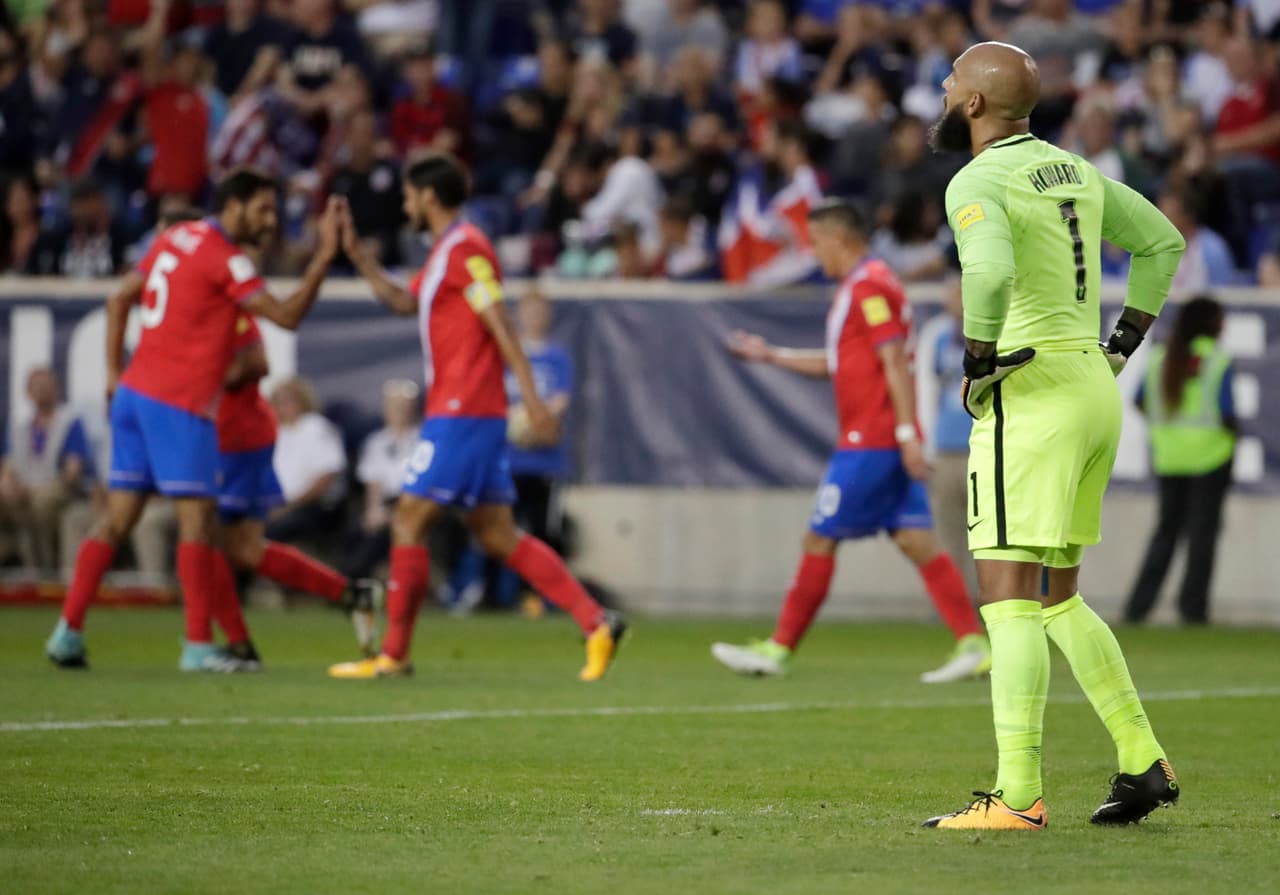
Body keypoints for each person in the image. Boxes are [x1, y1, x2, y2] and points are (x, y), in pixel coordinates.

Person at [922, 42, 1184, 830]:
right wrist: (1122, 343)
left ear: (972, 105)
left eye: (951, 81)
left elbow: (991, 274)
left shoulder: (976, 180)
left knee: (1006, 600)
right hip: (1091, 387)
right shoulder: (1073, 168)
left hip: (1029, 393)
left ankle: (1018, 794)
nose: (941, 86)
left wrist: (977, 363)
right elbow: (1162, 240)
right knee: (1059, 596)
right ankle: (1142, 758)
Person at [329, 152, 625, 682]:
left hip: (463, 410)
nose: (403, 205)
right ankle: (595, 622)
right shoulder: (444, 253)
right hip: (467, 411)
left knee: (408, 520)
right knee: (497, 534)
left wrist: (532, 399)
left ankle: (393, 654)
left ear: (427, 197)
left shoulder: (467, 246)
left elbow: (499, 321)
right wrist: (358, 256)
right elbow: (403, 302)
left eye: (408, 196)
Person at [44, 169, 345, 672]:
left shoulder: (174, 237)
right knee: (199, 524)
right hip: (180, 405)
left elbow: (120, 297)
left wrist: (115, 373)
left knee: (117, 520)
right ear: (234, 207)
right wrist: (324, 258)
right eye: (263, 210)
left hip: (134, 396)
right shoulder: (226, 259)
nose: (270, 222)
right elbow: (287, 316)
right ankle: (198, 645)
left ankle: (67, 633)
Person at [710, 199, 990, 685]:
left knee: (819, 536)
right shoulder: (864, 286)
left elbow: (893, 363)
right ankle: (972, 644)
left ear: (839, 239)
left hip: (872, 441)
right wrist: (771, 355)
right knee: (915, 539)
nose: (812, 253)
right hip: (880, 437)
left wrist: (904, 435)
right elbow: (843, 362)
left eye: (815, 242)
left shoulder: (870, 287)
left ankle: (778, 650)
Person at [214, 313, 384, 665]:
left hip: (266, 466)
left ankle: (216, 642)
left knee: (211, 541)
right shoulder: (276, 424)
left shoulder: (313, 426)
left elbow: (258, 358)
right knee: (238, 547)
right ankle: (345, 593)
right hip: (232, 439)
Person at [1126, 297, 1235, 625]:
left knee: (1165, 534)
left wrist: (1167, 430)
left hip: (1169, 459)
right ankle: (1192, 611)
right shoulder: (1217, 359)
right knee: (1202, 539)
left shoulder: (1161, 357)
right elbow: (1227, 411)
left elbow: (1140, 400)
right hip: (1211, 458)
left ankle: (1138, 607)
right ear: (1212, 323)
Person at [0, 368, 95, 573]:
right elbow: (8, 467)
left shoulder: (69, 422)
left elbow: (72, 472)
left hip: (59, 490)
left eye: (46, 385)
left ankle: (43, 571)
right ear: (28, 393)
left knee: (39, 503)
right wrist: (8, 484)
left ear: (56, 390)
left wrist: (35, 489)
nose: (42, 390)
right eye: (36, 386)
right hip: (24, 492)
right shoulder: (19, 426)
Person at [342, 380, 421, 584]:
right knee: (356, 530)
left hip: (413, 502)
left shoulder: (423, 440)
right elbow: (373, 482)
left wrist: (394, 513)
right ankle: (349, 579)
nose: (400, 412)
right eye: (395, 407)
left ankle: (353, 580)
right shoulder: (376, 442)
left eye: (404, 407)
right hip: (385, 503)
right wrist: (373, 510)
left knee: (381, 536)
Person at [265, 377, 348, 545]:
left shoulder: (316, 426)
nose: (284, 406)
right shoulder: (275, 433)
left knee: (270, 531)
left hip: (315, 507)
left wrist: (290, 505)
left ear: (302, 400)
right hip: (277, 505)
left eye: (289, 400)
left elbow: (327, 477)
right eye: (278, 401)